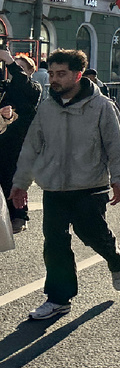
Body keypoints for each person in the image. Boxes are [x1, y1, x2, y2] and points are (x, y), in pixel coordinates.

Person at [10, 50, 120, 320]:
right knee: (55, 243)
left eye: (61, 74)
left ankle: (116, 259)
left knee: (91, 234)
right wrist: (20, 184)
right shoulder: (47, 107)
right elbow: (31, 147)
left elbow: (116, 144)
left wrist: (118, 178)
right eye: (52, 73)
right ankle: (58, 299)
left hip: (89, 185)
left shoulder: (101, 106)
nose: (54, 79)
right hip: (54, 187)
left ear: (78, 75)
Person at [0, 48, 40, 234]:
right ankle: (6, 216)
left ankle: (20, 215)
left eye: (20, 68)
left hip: (20, 142)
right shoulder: (6, 87)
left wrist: (10, 61)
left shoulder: (33, 88)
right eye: (13, 67)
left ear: (30, 71)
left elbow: (23, 86)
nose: (14, 70)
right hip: (3, 137)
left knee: (15, 178)